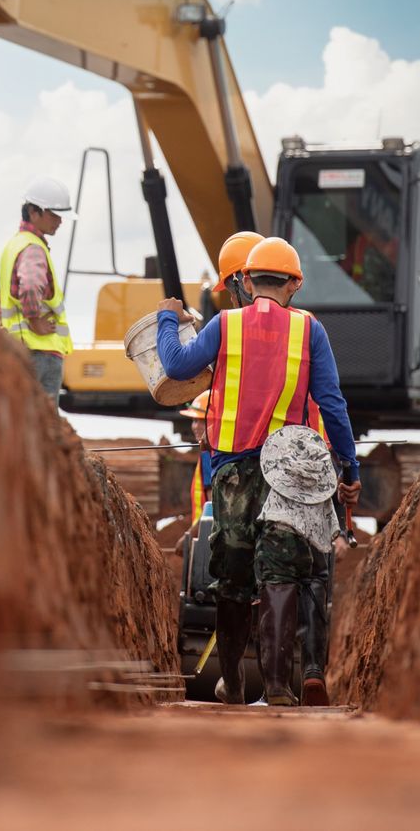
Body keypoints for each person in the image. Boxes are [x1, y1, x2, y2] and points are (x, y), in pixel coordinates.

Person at [156, 236, 361, 706]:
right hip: (288, 473)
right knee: (281, 573)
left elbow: (175, 364)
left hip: (232, 472)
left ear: (246, 281)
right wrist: (350, 466)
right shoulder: (310, 331)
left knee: (232, 573)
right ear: (295, 284)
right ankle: (278, 687)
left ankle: (233, 681)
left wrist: (169, 318)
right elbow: (332, 404)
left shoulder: (224, 324)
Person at [0, 175, 74, 401]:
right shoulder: (33, 248)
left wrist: (1, 324)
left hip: (21, 351)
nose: (59, 221)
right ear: (33, 211)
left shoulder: (15, 245)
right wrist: (34, 320)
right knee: (44, 427)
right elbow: (30, 287)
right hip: (40, 353)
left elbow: (1, 298)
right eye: (54, 214)